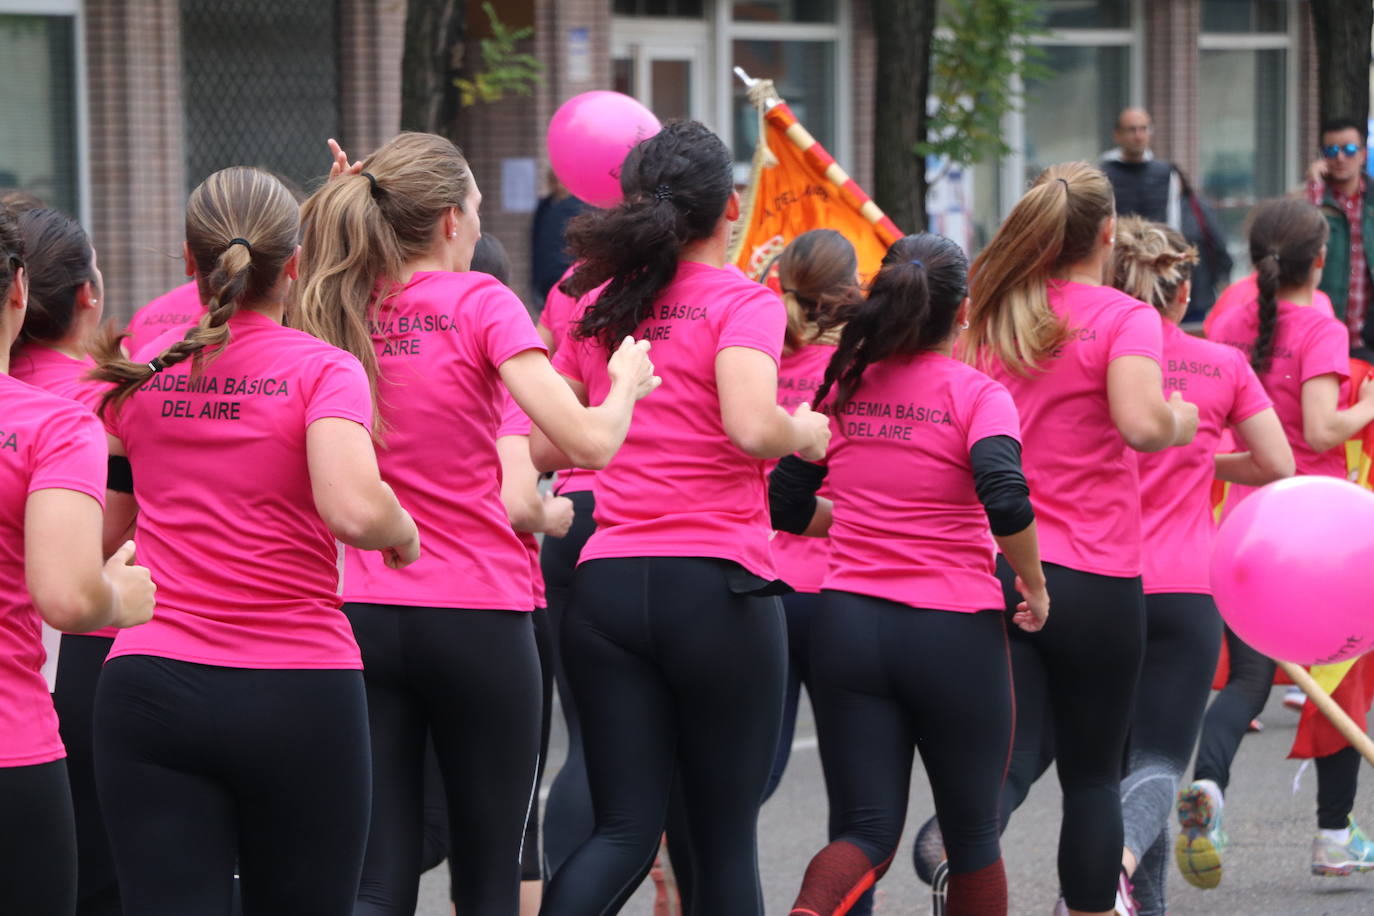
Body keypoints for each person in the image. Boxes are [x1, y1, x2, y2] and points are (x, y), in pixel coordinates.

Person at [294, 131, 657, 916]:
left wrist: (328, 208)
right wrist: (626, 379)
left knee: (377, 873)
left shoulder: (336, 305)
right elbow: (590, 440)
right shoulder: (482, 302)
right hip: (479, 617)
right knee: (491, 873)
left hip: (364, 612)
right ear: (454, 220)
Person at [90, 166, 420, 916]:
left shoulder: (139, 378)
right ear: (295, 265)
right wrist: (403, 531)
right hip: (297, 688)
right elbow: (354, 509)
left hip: (151, 686)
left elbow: (102, 532)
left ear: (188, 261)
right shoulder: (324, 371)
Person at [536, 119, 829, 916]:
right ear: (730, 207)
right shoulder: (741, 301)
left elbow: (540, 440)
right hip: (717, 592)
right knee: (722, 839)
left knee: (625, 831)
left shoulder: (595, 303)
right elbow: (750, 425)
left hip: (608, 589)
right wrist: (804, 430)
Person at [770, 232, 1048, 916]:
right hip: (953, 633)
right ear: (963, 313)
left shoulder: (847, 380)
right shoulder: (978, 394)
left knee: (865, 832)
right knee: (974, 835)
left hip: (849, 626)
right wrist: (1036, 586)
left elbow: (784, 502)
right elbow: (1004, 495)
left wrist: (868, 522)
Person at [962, 161, 1197, 916]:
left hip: (998, 562)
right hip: (1096, 573)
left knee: (1014, 754)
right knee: (1094, 777)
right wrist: (1180, 421)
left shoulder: (993, 313)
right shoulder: (1125, 317)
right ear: (1104, 234)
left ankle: (958, 843)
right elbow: (1139, 422)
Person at [1106, 216, 1292, 915]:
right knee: (1156, 764)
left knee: (1118, 767)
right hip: (1185, 586)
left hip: (1101, 579)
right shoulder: (1220, 364)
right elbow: (1276, 463)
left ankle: (1131, 897)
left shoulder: (1092, 359)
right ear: (1182, 295)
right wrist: (1200, 459)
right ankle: (1111, 879)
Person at [1187, 196, 1374, 883]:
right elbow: (1323, 432)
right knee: (1340, 671)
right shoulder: (1320, 324)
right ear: (1320, 260)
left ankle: (1207, 786)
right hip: (1319, 530)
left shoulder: (1228, 316)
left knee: (1248, 679)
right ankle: (1332, 835)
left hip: (1243, 526)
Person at [0, 202, 155, 916]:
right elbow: (68, 586)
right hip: (20, 736)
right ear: (18, 290)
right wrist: (121, 597)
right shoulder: (73, 417)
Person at [1306, 117, 1374, 358]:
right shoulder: (1311, 200)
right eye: (1332, 150)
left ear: (1363, 154)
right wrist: (1314, 189)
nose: (1340, 158)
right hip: (1324, 334)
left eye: (1349, 149)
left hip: (1368, 337)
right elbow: (1303, 241)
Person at [531, 169, 586, 306]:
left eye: (561, 181)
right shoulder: (544, 207)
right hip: (544, 275)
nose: (558, 186)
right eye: (554, 181)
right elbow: (536, 241)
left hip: (566, 274)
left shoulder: (577, 207)